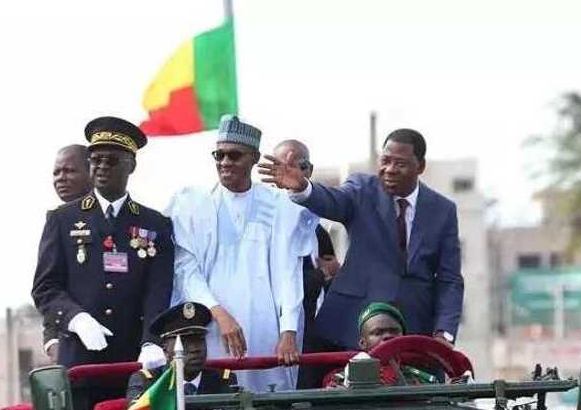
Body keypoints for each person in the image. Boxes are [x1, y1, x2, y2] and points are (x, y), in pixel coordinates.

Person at [260, 127, 464, 350]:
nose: (390, 169)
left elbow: (449, 279)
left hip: (414, 332)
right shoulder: (362, 190)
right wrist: (303, 188)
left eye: (401, 164)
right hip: (351, 327)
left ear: (420, 167)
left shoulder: (443, 211)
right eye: (385, 161)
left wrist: (444, 333)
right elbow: (332, 200)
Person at [168, 116, 316, 393]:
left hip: (264, 328)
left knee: (268, 408)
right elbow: (186, 270)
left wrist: (288, 330)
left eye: (234, 155)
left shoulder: (277, 203)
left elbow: (289, 273)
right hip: (210, 324)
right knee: (214, 407)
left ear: (254, 158)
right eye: (219, 155)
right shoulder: (193, 203)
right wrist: (220, 314)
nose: (225, 162)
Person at [31, 117, 174, 380]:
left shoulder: (154, 223)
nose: (102, 167)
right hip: (80, 356)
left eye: (112, 161)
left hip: (136, 358)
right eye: (96, 160)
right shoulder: (63, 219)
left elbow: (159, 289)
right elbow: (45, 287)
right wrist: (76, 319)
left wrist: (152, 340)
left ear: (131, 165)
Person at [272, 139, 342, 389]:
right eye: (280, 167)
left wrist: (333, 275)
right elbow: (279, 281)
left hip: (315, 333)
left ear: (309, 170)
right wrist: (322, 273)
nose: (289, 173)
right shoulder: (266, 223)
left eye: (298, 166)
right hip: (278, 333)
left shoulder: (319, 230)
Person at [42, 144, 93, 362]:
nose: (61, 178)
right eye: (56, 172)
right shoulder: (57, 219)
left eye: (70, 171)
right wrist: (52, 340)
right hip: (71, 341)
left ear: (92, 172)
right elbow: (49, 286)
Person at [125, 302, 236, 402]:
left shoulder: (224, 380)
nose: (195, 349)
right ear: (165, 350)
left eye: (199, 340)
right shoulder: (148, 382)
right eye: (184, 342)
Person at [322, 302, 441, 387]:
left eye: (394, 331)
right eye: (378, 332)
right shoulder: (340, 379)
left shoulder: (420, 379)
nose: (388, 336)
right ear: (363, 343)